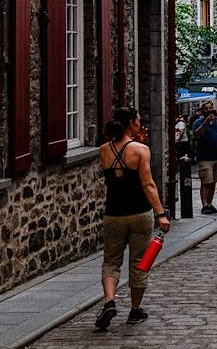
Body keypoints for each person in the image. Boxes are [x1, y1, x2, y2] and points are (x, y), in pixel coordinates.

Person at [93, 107, 171, 330]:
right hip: (139, 213)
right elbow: (148, 184)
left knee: (111, 261)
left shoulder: (104, 150)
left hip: (113, 214)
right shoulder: (140, 150)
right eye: (137, 121)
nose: (140, 125)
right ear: (130, 124)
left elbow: (115, 176)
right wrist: (161, 214)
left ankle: (110, 301)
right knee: (139, 263)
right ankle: (135, 310)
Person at [190, 102, 217, 214]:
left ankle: (210, 204)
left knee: (213, 182)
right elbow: (197, 134)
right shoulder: (198, 122)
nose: (209, 110)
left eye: (211, 108)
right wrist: (206, 122)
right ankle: (204, 205)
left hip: (216, 156)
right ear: (202, 110)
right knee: (205, 182)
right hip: (204, 157)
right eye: (207, 108)